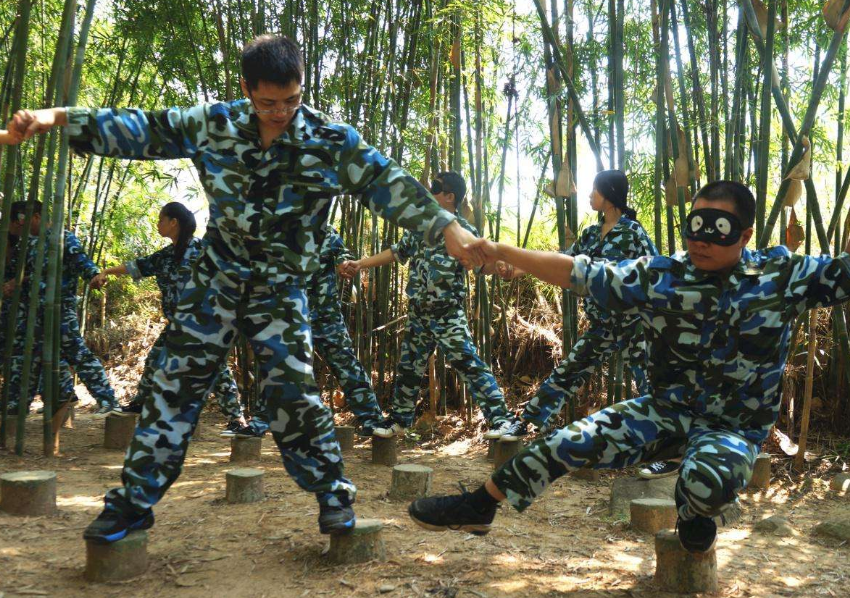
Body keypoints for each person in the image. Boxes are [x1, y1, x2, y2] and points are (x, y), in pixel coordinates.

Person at [8, 34, 482, 543]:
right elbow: (144, 127)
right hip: (217, 277)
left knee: (292, 392)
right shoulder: (215, 124)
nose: (281, 113)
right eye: (268, 103)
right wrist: (54, 117)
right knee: (173, 385)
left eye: (292, 100)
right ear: (246, 90)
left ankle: (333, 498)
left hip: (280, 286)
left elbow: (389, 183)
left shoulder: (329, 139)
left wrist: (448, 228)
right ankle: (132, 504)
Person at [407, 174, 850, 554]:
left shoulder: (778, 275)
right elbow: (581, 273)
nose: (702, 239)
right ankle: (479, 506)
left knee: (706, 480)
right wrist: (502, 251)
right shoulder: (663, 275)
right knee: (563, 443)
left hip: (731, 428)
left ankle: (695, 509)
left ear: (746, 231)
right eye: (696, 226)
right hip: (664, 412)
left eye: (719, 228)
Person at [340, 172, 516, 439]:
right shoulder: (422, 226)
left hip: (447, 313)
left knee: (468, 362)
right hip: (419, 312)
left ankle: (501, 420)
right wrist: (361, 264)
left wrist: (500, 265)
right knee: (409, 367)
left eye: (434, 187)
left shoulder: (462, 230)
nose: (428, 191)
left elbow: (483, 265)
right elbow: (397, 252)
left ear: (449, 196)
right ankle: (398, 421)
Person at [496, 170, 658, 443]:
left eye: (595, 190)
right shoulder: (592, 233)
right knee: (567, 373)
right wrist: (519, 269)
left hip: (633, 324)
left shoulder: (633, 232)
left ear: (609, 195)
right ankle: (527, 423)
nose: (589, 195)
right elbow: (564, 261)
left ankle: (668, 444)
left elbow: (655, 273)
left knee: (651, 385)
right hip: (602, 325)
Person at [94, 202, 249, 436]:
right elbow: (136, 266)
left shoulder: (203, 250)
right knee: (155, 360)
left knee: (216, 371)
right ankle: (140, 402)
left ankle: (237, 420)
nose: (158, 224)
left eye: (160, 220)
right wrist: (106, 272)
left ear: (173, 222)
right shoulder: (165, 256)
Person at [3, 200, 117, 416]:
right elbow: (17, 272)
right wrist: (15, 282)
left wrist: (94, 276)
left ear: (36, 217)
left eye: (21, 220)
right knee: (28, 357)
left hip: (60, 311)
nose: (19, 226)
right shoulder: (26, 245)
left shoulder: (63, 238)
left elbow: (83, 263)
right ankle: (18, 404)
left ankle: (108, 400)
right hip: (33, 313)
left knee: (78, 354)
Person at [308, 226, 392, 438]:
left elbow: (342, 253)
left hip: (326, 314)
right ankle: (263, 421)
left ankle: (372, 420)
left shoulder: (325, 230)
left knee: (346, 365)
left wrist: (344, 265)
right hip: (290, 316)